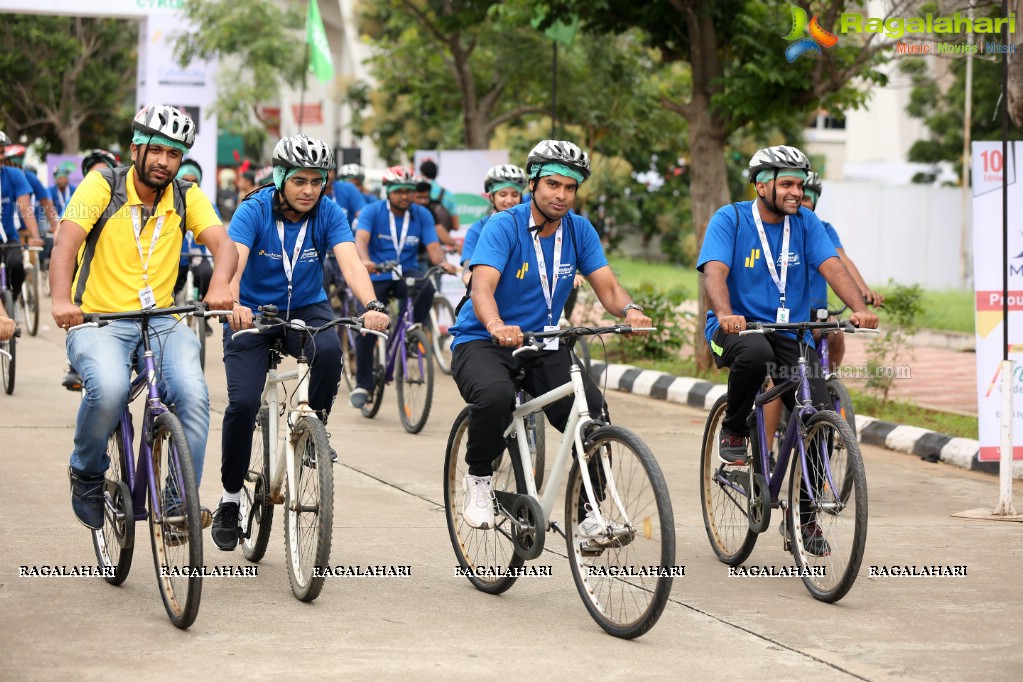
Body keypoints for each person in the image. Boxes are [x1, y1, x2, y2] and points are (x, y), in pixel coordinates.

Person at [50, 104, 238, 530]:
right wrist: (62, 300)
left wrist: (220, 285)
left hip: (161, 319)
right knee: (110, 388)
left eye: (174, 154)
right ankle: (87, 470)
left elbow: (223, 246)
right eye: (157, 151)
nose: (164, 162)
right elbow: (65, 243)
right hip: (100, 319)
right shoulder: (102, 185)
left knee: (192, 394)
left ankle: (176, 503)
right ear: (135, 148)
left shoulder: (187, 195)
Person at [449, 140, 652, 533]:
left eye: (570, 188)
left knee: (592, 415)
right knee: (495, 397)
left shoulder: (579, 230)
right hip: (483, 340)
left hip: (543, 344)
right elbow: (482, 288)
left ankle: (590, 514)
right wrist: (495, 324)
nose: (561, 195)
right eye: (553, 185)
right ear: (533, 184)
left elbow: (608, 289)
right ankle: (478, 480)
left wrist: (631, 310)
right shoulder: (503, 225)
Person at [696, 145, 878, 554]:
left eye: (800, 184)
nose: (797, 192)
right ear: (762, 185)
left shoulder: (806, 223)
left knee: (819, 398)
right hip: (738, 326)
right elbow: (715, 273)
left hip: (790, 333)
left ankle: (805, 518)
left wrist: (859, 308)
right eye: (788, 184)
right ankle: (735, 428)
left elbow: (833, 267)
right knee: (754, 354)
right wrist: (725, 313)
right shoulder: (732, 219)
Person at [214, 134, 390, 551]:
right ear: (280, 179)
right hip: (252, 311)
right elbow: (234, 260)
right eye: (299, 181)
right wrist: (232, 301)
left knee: (329, 350)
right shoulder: (253, 209)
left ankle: (316, 431)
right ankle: (230, 499)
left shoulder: (329, 212)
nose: (309, 190)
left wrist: (371, 303)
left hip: (307, 308)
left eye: (317, 181)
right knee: (241, 404)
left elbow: (349, 259)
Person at [349, 165, 457, 408]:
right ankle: (363, 384)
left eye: (409, 191)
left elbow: (432, 248)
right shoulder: (372, 211)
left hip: (404, 272)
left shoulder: (422, 215)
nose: (405, 196)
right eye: (399, 191)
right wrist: (365, 261)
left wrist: (442, 263)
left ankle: (410, 332)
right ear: (388, 190)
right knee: (366, 324)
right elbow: (362, 241)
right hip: (376, 273)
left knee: (426, 286)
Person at [459, 163, 528, 285]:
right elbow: (467, 269)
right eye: (502, 194)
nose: (509, 200)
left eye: (515, 194)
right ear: (491, 197)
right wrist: (476, 284)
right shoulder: (477, 230)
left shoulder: (531, 226)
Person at [0, 135, 44, 306]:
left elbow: (26, 208)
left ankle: (13, 298)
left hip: (9, 237)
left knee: (17, 267)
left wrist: (34, 235)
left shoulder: (15, 175)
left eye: (2, 151)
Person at [173, 159, 214, 315]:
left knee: (207, 273)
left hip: (197, 259)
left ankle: (205, 315)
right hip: (174, 259)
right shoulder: (167, 203)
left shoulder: (207, 205)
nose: (190, 184)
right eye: (185, 180)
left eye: (194, 181)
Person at [419, 158, 459, 233]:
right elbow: (456, 226)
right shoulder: (448, 195)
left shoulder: (415, 192)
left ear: (421, 173)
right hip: (442, 241)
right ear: (436, 174)